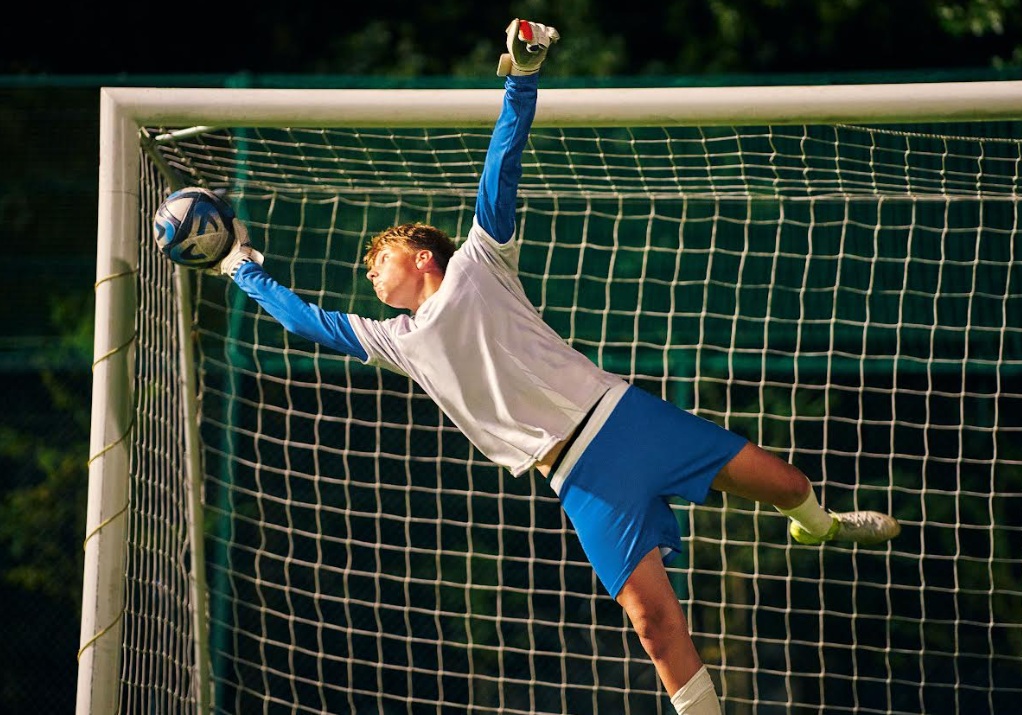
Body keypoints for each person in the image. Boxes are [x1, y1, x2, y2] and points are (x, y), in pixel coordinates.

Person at [208, 18, 900, 715]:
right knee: (656, 627)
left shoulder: (482, 261)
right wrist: (241, 266)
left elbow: (503, 158)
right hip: (580, 478)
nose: (369, 271)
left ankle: (823, 524)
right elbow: (310, 323)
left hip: (627, 420)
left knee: (788, 483)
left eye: (378, 259)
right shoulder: (397, 338)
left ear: (423, 257)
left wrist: (523, 73)